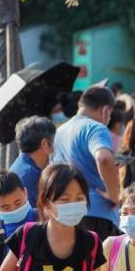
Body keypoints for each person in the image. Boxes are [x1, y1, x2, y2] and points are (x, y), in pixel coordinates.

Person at [52, 86, 120, 241]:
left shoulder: (60, 131)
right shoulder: (96, 128)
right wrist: (114, 195)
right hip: (97, 213)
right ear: (106, 110)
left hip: (66, 213)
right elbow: (104, 159)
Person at [11, 116, 55, 207]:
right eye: (54, 143)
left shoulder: (20, 166)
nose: (55, 149)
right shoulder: (31, 174)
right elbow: (41, 212)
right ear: (44, 144)